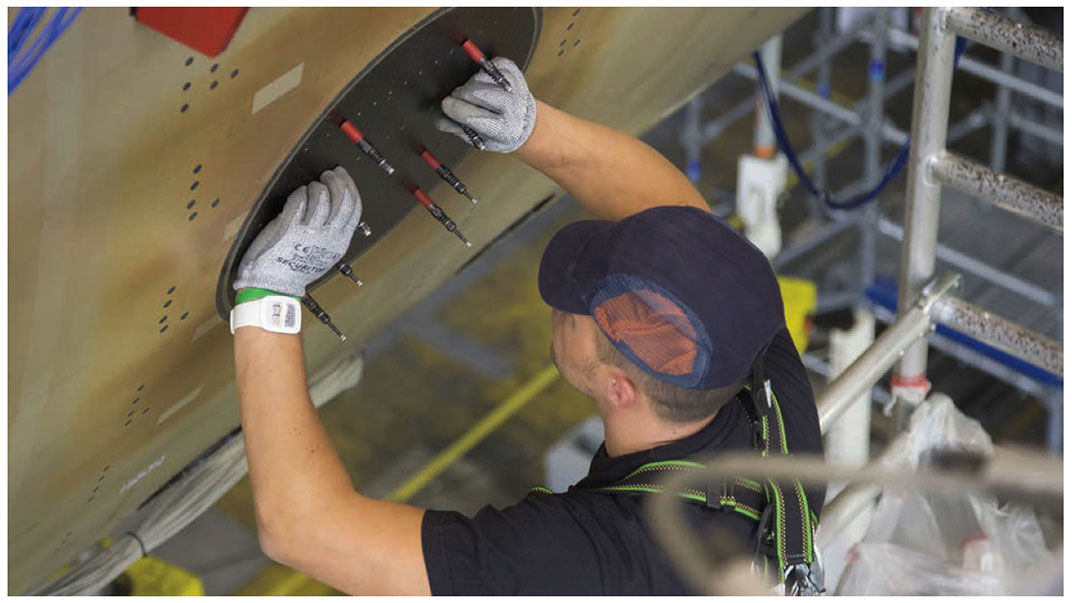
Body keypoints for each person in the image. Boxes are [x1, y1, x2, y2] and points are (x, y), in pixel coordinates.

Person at [231, 57, 824, 596]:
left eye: (573, 305)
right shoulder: (763, 393)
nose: (558, 304)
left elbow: (302, 529)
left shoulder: (590, 561)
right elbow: (675, 218)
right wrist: (530, 128)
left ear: (621, 389)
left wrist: (271, 298)